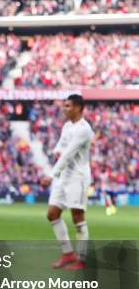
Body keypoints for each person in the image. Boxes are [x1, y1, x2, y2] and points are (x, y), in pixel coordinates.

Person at [41, 94, 94, 271]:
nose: (64, 109)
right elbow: (61, 146)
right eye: (64, 106)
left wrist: (51, 175)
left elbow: (69, 153)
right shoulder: (67, 126)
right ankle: (67, 254)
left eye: (68, 106)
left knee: (77, 217)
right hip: (64, 177)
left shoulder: (84, 129)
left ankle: (82, 259)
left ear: (78, 108)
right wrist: (56, 151)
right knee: (52, 213)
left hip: (77, 177)